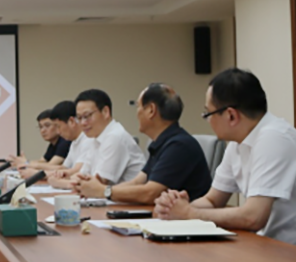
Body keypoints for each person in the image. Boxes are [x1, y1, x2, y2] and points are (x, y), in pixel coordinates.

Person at [155, 68, 296, 255]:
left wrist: (189, 213)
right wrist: (174, 208)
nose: (207, 120)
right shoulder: (237, 144)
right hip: (282, 253)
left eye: (208, 113)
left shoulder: (274, 138)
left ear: (231, 115)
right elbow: (212, 201)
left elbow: (253, 217)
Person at [74, 83, 212, 204]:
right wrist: (97, 189)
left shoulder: (179, 145)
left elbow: (150, 193)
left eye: (138, 106)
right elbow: (137, 182)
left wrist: (104, 191)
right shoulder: (161, 143)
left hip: (186, 222)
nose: (137, 113)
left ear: (151, 110)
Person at [49, 90, 145, 189]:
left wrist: (59, 182)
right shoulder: (95, 139)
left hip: (129, 198)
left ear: (105, 112)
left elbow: (96, 185)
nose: (83, 123)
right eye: (79, 118)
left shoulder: (115, 137)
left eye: (87, 116)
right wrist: (66, 179)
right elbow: (82, 174)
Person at [10, 109, 72, 173]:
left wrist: (26, 163)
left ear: (58, 125)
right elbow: (42, 162)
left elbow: (51, 166)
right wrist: (25, 162)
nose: (42, 130)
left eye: (47, 126)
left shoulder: (65, 141)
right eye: (40, 127)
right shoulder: (53, 144)